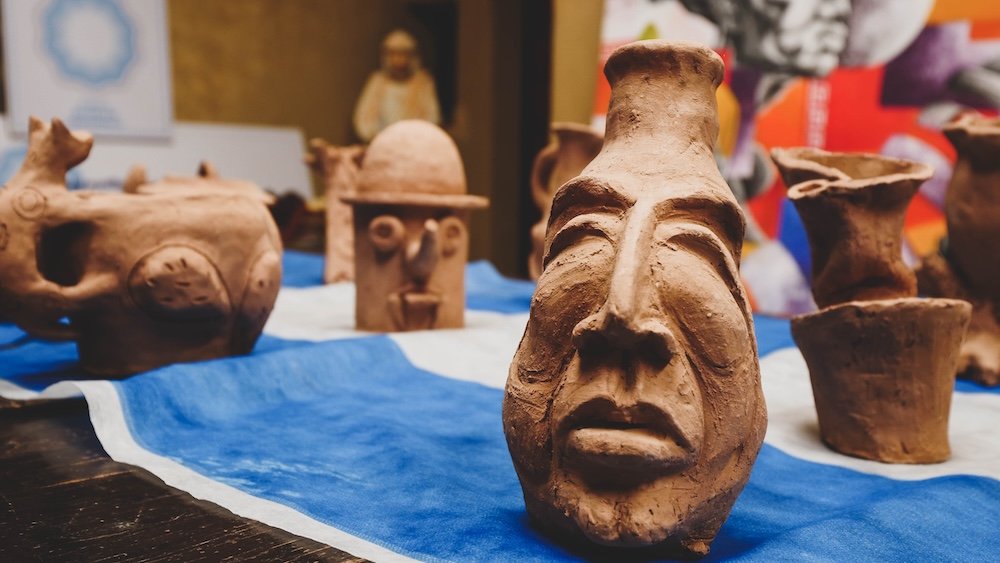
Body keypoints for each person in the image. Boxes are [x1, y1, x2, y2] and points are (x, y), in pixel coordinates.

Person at [353, 29, 441, 143]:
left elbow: (432, 117)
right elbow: (362, 118)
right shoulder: (377, 81)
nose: (399, 60)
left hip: (413, 144)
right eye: (393, 54)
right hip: (382, 142)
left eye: (403, 54)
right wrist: (376, 136)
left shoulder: (423, 82)